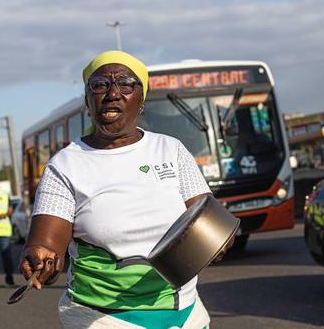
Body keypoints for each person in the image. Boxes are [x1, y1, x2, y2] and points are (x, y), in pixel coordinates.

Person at [20, 51, 233, 328]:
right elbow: (46, 243)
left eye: (126, 84)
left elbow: (207, 217)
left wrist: (217, 240)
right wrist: (42, 258)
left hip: (184, 311)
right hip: (104, 316)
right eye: (99, 85)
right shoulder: (65, 165)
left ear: (141, 100)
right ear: (87, 101)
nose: (112, 93)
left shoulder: (171, 150)